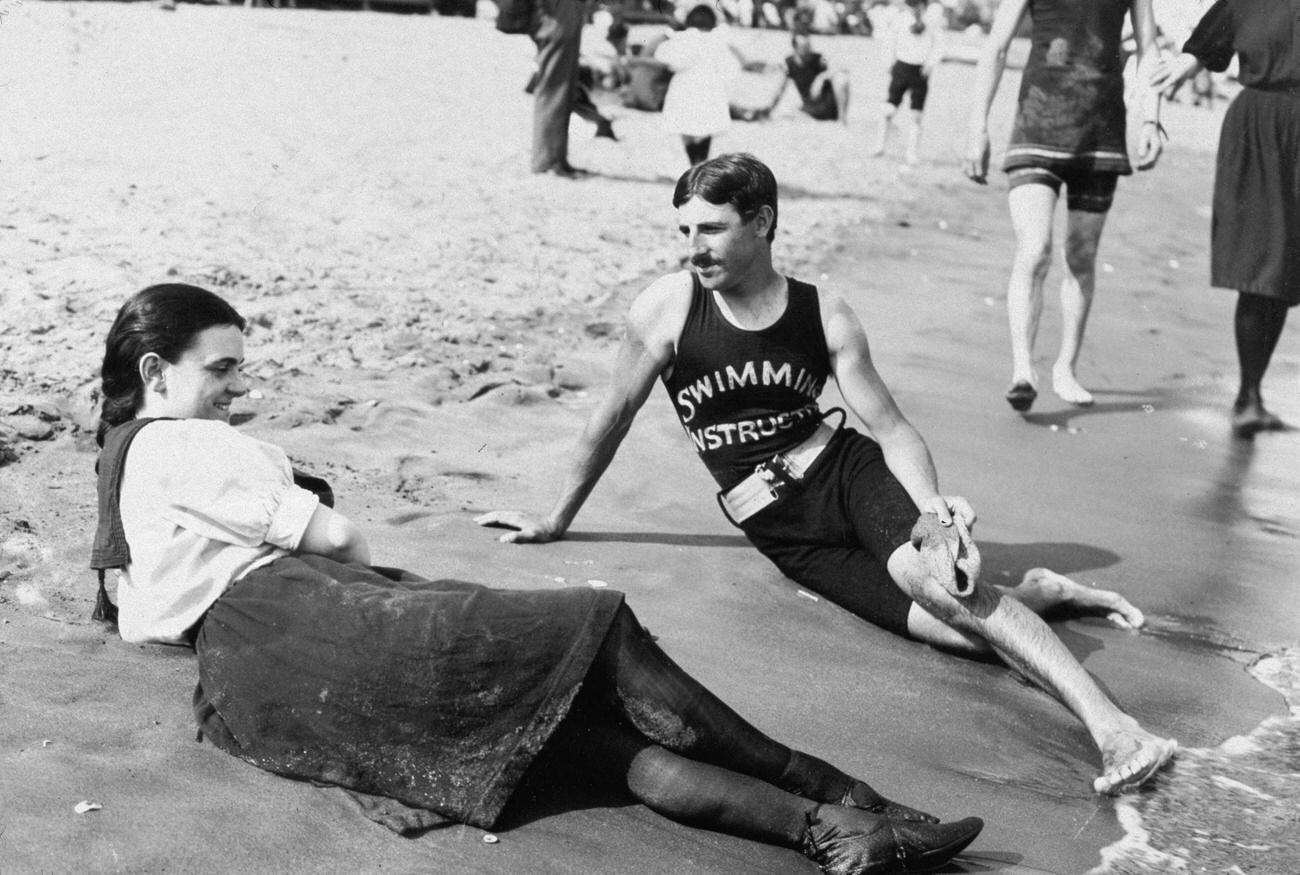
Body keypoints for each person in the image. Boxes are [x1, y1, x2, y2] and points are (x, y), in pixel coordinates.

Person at [89, 283, 984, 874]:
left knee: (591, 743)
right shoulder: (193, 443)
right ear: (156, 371)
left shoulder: (119, 462)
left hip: (256, 692)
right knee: (598, 628)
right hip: (308, 617)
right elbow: (346, 540)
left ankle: (828, 834)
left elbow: (139, 617)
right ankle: (843, 794)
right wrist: (304, 515)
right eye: (223, 368)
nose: (238, 387)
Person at [477, 153, 1178, 797]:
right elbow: (611, 416)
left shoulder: (824, 313)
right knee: (952, 630)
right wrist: (555, 517)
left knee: (931, 580)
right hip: (781, 530)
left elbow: (893, 427)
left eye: (712, 230)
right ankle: (1041, 592)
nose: (693, 249)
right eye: (684, 229)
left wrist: (932, 507)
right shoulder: (666, 307)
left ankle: (1115, 726)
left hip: (846, 473)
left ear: (762, 223)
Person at [961, 0, 1165, 411]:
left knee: (1081, 256)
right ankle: (1022, 369)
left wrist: (1151, 119)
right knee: (1034, 250)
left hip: (1101, 130)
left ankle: (1066, 368)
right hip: (1036, 122)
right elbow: (996, 46)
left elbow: (1149, 49)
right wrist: (976, 126)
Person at [1150, 0, 1299, 438]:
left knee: (1286, 271)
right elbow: (1206, 45)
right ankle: (1249, 395)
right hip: (1258, 130)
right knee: (1259, 264)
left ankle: (1251, 394)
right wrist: (1179, 71)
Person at [656, 3, 741, 166]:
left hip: (685, 86)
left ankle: (693, 160)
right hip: (710, 86)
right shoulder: (717, 40)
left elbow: (664, 57)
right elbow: (730, 67)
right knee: (706, 126)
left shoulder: (683, 38)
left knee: (684, 125)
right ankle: (700, 160)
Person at [870, 0, 945, 163]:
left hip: (919, 71)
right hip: (902, 67)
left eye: (918, 4)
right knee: (888, 108)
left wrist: (930, 64)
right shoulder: (901, 19)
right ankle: (879, 145)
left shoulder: (931, 21)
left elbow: (939, 45)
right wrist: (888, 63)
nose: (915, 8)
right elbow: (890, 42)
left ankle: (911, 153)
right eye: (912, 4)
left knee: (916, 114)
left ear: (924, 5)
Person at [530, 0, 590, 177]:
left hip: (566, 15)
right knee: (553, 90)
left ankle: (556, 158)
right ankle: (546, 160)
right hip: (556, 18)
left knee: (563, 92)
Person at [783, 32, 852, 124]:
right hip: (810, 106)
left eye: (809, 46)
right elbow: (780, 88)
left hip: (827, 104)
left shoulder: (819, 58)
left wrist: (821, 77)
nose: (808, 50)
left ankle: (842, 119)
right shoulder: (789, 63)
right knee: (789, 113)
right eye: (804, 47)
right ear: (795, 48)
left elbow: (842, 69)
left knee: (841, 79)